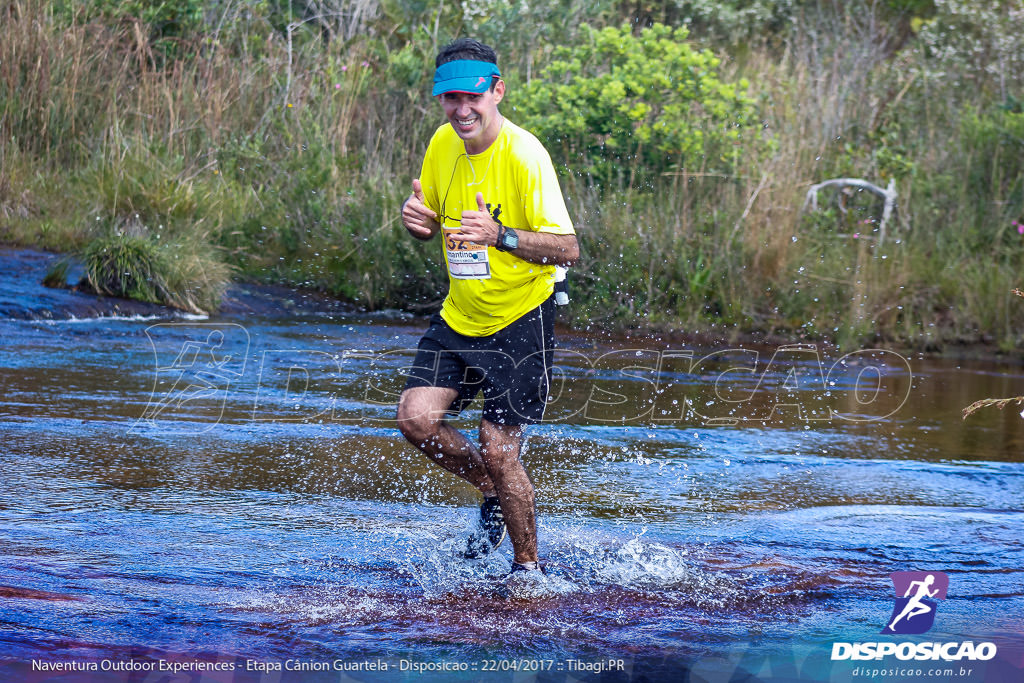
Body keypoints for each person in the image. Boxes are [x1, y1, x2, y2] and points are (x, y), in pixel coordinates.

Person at [397, 38, 579, 578]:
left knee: (501, 451)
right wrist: (418, 224)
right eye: (449, 98)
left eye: (472, 96)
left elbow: (568, 247)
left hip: (522, 318)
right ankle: (492, 491)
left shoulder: (526, 155)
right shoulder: (441, 144)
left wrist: (499, 234)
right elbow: (432, 224)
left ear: (497, 90)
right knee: (415, 420)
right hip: (460, 315)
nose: (461, 110)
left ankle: (528, 574)